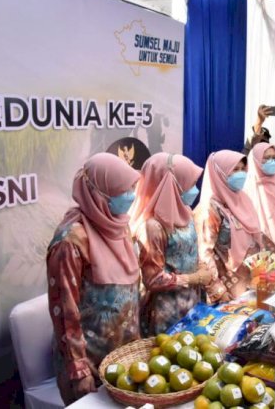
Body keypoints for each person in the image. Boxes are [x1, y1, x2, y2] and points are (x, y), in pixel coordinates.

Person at [47, 153, 141, 404]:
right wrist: (79, 371)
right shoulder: (70, 241)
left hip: (125, 355)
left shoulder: (118, 225)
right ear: (100, 192)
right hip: (91, 364)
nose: (131, 194)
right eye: (124, 189)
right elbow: (65, 310)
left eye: (132, 187)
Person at [131, 153, 211, 336]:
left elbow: (190, 251)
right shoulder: (152, 226)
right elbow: (153, 279)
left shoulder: (186, 212)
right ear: (169, 185)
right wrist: (193, 278)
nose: (194, 190)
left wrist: (200, 268)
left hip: (192, 303)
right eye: (189, 185)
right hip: (166, 312)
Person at [195, 150, 271, 303]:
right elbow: (204, 255)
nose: (241, 174)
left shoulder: (243, 200)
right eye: (235, 170)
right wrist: (217, 290)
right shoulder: (209, 209)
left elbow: (256, 237)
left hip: (252, 280)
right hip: (227, 287)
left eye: (243, 169)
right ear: (220, 173)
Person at [244, 143, 275, 256]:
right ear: (256, 160)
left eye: (274, 158)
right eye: (267, 158)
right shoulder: (246, 185)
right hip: (253, 243)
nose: (272, 161)